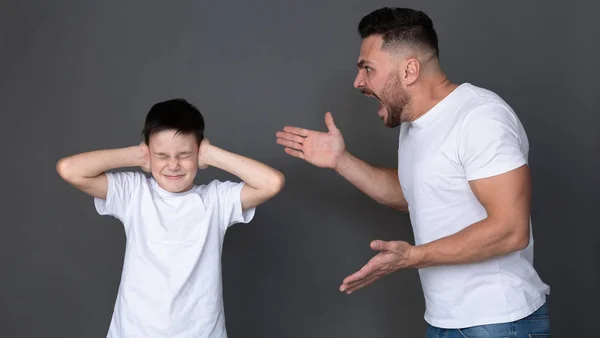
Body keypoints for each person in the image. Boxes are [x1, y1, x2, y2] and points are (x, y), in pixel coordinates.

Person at [276, 7, 550, 338]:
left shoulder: (481, 118)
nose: (358, 82)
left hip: (500, 323)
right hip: (445, 321)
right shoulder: (415, 125)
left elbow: (510, 229)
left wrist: (413, 256)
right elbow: (416, 195)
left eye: (368, 69)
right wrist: (341, 161)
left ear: (409, 70)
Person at [57, 98, 285, 338]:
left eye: (185, 154)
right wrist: (137, 155)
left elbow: (272, 183)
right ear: (148, 154)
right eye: (162, 155)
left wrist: (212, 154)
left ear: (199, 153)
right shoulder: (134, 192)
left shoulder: (216, 200)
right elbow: (69, 169)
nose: (173, 165)